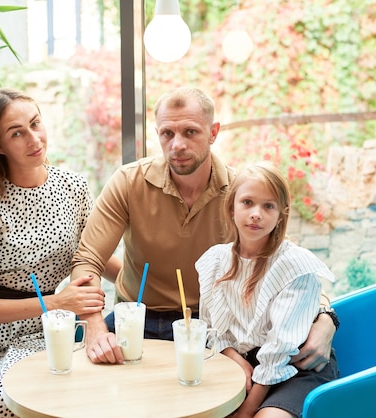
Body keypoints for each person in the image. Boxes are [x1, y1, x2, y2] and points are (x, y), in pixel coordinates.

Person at [70, 86, 338, 368]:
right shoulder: (128, 182)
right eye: (167, 134)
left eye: (190, 132)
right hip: (135, 318)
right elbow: (88, 259)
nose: (177, 145)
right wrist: (96, 327)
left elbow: (287, 267)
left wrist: (326, 317)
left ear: (213, 132)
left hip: (209, 327)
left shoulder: (241, 195)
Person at [0, 88, 117, 417]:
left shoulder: (73, 188)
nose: (34, 139)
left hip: (40, 331)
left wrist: (155, 283)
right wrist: (57, 303)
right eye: (17, 133)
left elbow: (92, 255)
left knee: (16, 402)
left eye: (35, 124)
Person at [196, 162, 340, 418]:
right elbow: (213, 328)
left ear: (281, 214)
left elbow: (279, 350)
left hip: (296, 366)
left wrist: (247, 411)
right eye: (247, 202)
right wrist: (234, 357)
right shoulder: (214, 261)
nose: (256, 213)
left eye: (268, 206)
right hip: (246, 363)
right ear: (231, 208)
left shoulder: (294, 264)